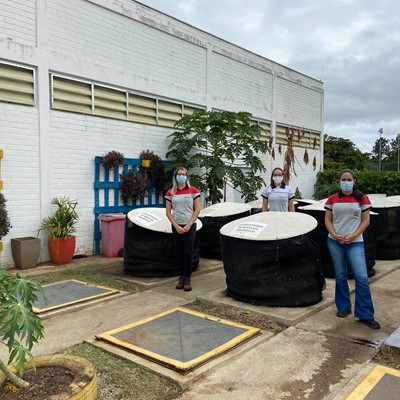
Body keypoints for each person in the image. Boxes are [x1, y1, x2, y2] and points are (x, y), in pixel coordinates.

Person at [324, 169, 380, 329]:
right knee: (340, 275)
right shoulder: (332, 199)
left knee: (361, 277)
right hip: (335, 242)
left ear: (354, 181)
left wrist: (353, 235)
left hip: (355, 242)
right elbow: (328, 220)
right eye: (343, 179)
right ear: (339, 181)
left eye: (349, 179)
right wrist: (334, 235)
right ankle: (343, 307)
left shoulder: (362, 199)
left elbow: (366, 221)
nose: (346, 182)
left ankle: (365, 314)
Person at [165, 167, 200, 291]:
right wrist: (176, 226)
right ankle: (181, 277)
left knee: (188, 251)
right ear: (175, 177)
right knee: (179, 252)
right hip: (177, 226)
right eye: (179, 174)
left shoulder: (193, 190)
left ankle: (188, 277)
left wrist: (189, 225)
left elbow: (197, 210)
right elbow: (168, 212)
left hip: (190, 225)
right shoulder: (170, 192)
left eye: (183, 174)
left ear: (186, 176)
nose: (181, 176)